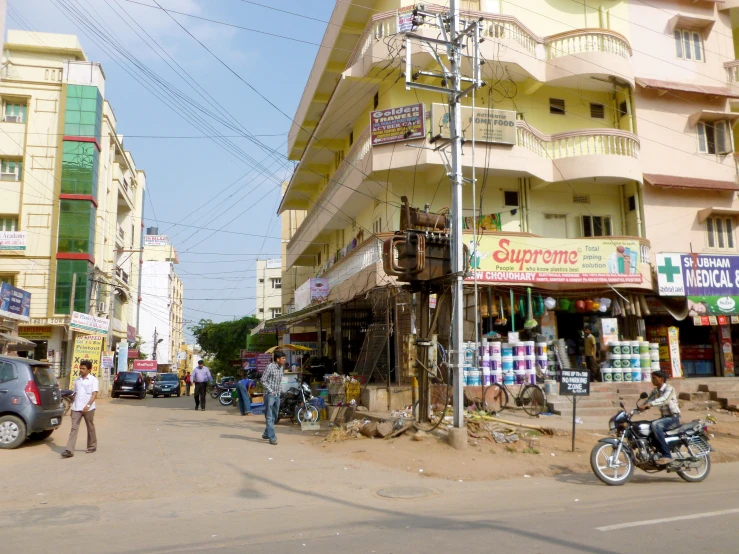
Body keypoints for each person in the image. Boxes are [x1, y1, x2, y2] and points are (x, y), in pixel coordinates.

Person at [638, 370, 681, 465]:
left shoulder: (669, 388)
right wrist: (635, 411)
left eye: (654, 378)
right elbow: (647, 401)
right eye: (652, 378)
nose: (652, 380)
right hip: (664, 418)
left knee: (655, 425)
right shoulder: (655, 391)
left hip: (673, 418)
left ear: (661, 379)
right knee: (646, 426)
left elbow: (664, 400)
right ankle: (656, 451)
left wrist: (650, 404)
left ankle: (667, 455)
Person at [61, 360, 99, 458]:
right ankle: (69, 450)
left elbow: (94, 394)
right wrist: (72, 404)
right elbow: (76, 393)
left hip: (88, 408)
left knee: (90, 427)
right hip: (76, 407)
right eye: (80, 368)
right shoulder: (77, 380)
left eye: (83, 368)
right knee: (74, 428)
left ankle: (92, 446)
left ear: (89, 369)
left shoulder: (93, 380)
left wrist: (88, 406)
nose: (81, 370)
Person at [261, 351, 286, 445]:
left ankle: (266, 433)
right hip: (269, 395)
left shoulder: (281, 368)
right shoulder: (270, 367)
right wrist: (270, 391)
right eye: (283, 358)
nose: (284, 360)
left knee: (275, 416)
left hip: (277, 395)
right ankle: (272, 438)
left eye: (284, 358)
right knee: (269, 417)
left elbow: (279, 382)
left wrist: (279, 392)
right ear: (277, 359)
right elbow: (263, 380)